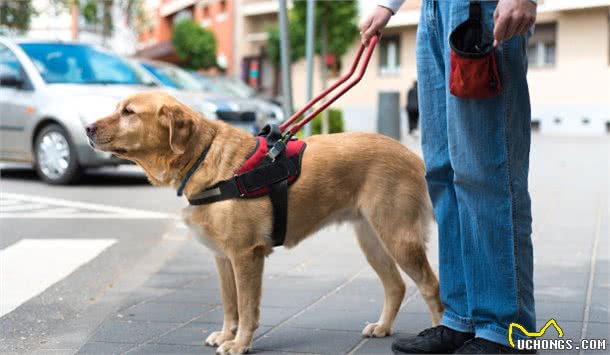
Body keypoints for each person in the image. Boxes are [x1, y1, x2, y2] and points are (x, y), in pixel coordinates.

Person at [361, 0, 537, 354]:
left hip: (480, 9)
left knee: (487, 171)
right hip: (433, 12)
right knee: (443, 172)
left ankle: (506, 330)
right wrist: (389, 5)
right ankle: (461, 318)